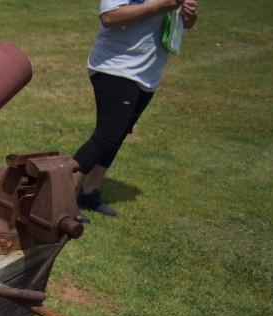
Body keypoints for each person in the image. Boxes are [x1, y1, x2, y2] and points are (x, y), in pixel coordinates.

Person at [73, 0, 198, 218]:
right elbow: (109, 17)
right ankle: (59, 198)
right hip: (116, 67)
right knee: (106, 136)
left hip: (147, 73)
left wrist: (189, 16)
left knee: (118, 135)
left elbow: (182, 22)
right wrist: (160, 5)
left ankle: (89, 192)